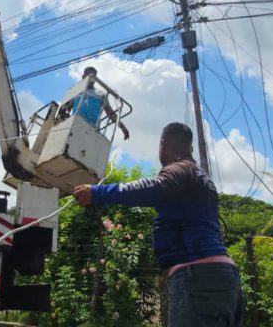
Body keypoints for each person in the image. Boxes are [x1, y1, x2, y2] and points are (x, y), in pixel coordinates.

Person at [73, 122, 243, 327]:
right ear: (190, 148)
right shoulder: (202, 178)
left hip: (197, 279)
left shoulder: (180, 169)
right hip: (223, 278)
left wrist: (98, 193)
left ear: (162, 145)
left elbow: (156, 187)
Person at [59, 67, 129, 140]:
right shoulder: (76, 92)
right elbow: (65, 109)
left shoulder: (101, 94)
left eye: (93, 76)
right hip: (74, 126)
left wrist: (122, 127)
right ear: (83, 77)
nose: (91, 77)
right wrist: (65, 115)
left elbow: (111, 113)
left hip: (91, 129)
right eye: (88, 75)